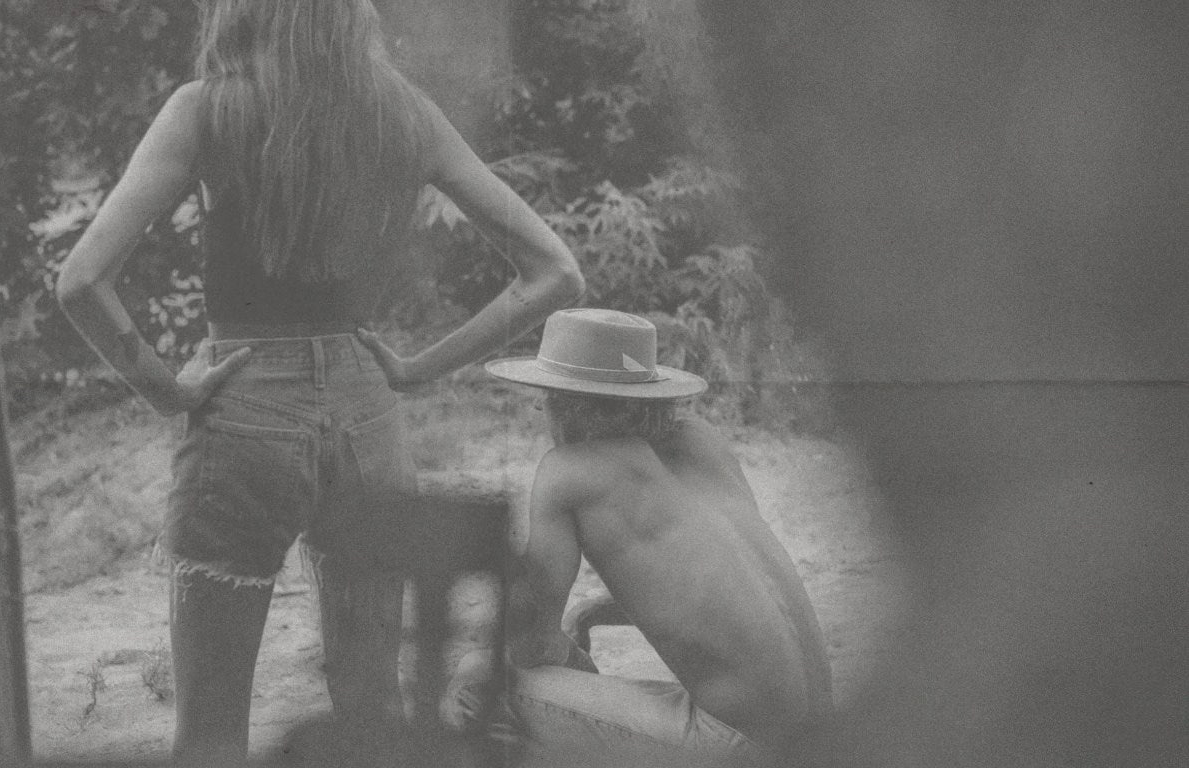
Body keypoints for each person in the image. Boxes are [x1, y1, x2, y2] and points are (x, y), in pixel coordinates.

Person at [54, 1, 584, 764]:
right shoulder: (406, 114)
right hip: (369, 415)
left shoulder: (205, 110)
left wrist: (167, 389)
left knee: (210, 734)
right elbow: (555, 272)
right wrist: (420, 370)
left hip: (243, 409)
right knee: (375, 715)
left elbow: (81, 282)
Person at [449, 308, 832, 767]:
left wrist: (568, 655)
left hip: (744, 749)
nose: (538, 407)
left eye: (545, 395)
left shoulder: (569, 473)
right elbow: (725, 587)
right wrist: (595, 611)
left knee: (475, 681)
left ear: (568, 402)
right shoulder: (704, 443)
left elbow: (529, 646)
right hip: (815, 735)